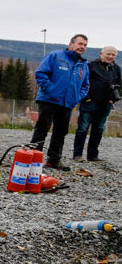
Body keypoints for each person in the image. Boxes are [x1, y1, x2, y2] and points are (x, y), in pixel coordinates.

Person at [30, 34, 90, 171]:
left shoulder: (83, 65)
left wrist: (76, 98)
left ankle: (54, 160)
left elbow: (85, 86)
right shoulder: (56, 56)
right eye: (80, 44)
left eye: (85, 45)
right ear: (71, 44)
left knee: (61, 132)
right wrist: (50, 90)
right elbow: (41, 73)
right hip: (49, 100)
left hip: (67, 103)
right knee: (42, 129)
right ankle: (33, 158)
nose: (82, 47)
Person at [72, 46, 121, 162]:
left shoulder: (117, 69)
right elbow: (81, 82)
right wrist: (86, 98)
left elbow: (120, 85)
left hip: (105, 104)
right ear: (101, 53)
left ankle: (93, 155)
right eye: (108, 54)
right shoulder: (91, 65)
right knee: (83, 128)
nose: (110, 57)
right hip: (90, 103)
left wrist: (113, 100)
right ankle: (77, 155)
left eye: (113, 55)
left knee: (98, 130)